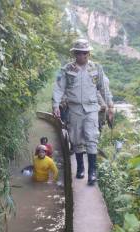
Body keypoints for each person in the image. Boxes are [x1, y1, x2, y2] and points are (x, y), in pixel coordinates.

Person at [52, 38, 114, 185]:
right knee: (76, 139)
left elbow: (104, 88)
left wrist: (110, 105)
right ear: (75, 54)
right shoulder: (67, 69)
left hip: (92, 108)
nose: (82, 56)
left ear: (89, 54)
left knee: (92, 138)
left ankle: (92, 173)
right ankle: (80, 167)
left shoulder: (96, 69)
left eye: (85, 53)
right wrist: (55, 105)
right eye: (79, 53)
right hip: (74, 109)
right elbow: (59, 87)